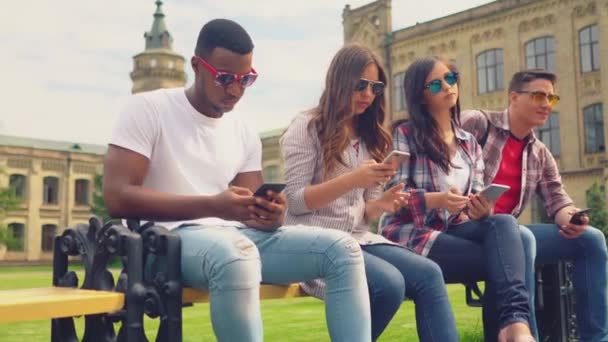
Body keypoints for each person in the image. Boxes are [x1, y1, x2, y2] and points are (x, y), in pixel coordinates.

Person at [102, 19, 372, 342]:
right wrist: (213, 205)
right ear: (196, 67)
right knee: (237, 255)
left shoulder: (243, 130)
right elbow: (117, 196)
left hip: (234, 237)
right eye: (225, 78)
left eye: (246, 80)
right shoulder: (148, 109)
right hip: (164, 241)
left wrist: (271, 214)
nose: (235, 90)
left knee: (344, 250)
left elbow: (252, 214)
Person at [280, 44, 459, 342]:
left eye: (375, 87)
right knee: (388, 284)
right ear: (339, 81)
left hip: (359, 239)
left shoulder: (372, 135)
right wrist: (353, 179)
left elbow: (363, 213)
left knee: (429, 274)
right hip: (314, 242)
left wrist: (382, 205)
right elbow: (296, 202)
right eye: (360, 85)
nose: (368, 94)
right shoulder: (307, 126)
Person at [378, 56, 535, 342]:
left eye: (451, 78)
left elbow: (475, 193)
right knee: (506, 260)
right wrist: (436, 199)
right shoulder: (405, 134)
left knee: (505, 224)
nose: (448, 86)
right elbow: (393, 196)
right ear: (420, 95)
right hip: (413, 235)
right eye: (436, 84)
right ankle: (512, 329)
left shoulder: (469, 142)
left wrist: (480, 208)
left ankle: (515, 322)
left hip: (454, 228)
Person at [460, 69, 608, 342]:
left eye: (552, 98)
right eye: (539, 95)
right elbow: (440, 149)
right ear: (514, 97)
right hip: (464, 228)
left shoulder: (540, 152)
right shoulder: (478, 123)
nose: (546, 104)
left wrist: (571, 217)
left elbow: (558, 199)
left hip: (508, 232)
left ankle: (596, 339)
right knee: (521, 237)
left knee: (591, 239)